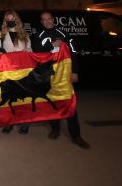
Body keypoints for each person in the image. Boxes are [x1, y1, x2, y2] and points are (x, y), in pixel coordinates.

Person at [29, 11, 90, 149]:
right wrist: (53, 46)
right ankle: (55, 129)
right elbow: (37, 54)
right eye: (44, 20)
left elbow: (73, 52)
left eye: (49, 19)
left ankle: (76, 135)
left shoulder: (64, 34)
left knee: (69, 103)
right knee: (52, 103)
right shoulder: (38, 36)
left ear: (53, 20)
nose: (47, 21)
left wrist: (74, 71)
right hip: (49, 76)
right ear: (41, 22)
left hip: (64, 75)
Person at [0, 10, 32, 134]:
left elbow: (30, 49)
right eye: (8, 19)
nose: (10, 21)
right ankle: (8, 122)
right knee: (9, 98)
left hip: (22, 71)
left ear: (16, 20)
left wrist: (28, 49)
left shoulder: (24, 34)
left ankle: (24, 123)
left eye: (12, 19)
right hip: (8, 71)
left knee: (23, 98)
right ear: (5, 21)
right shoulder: (1, 34)